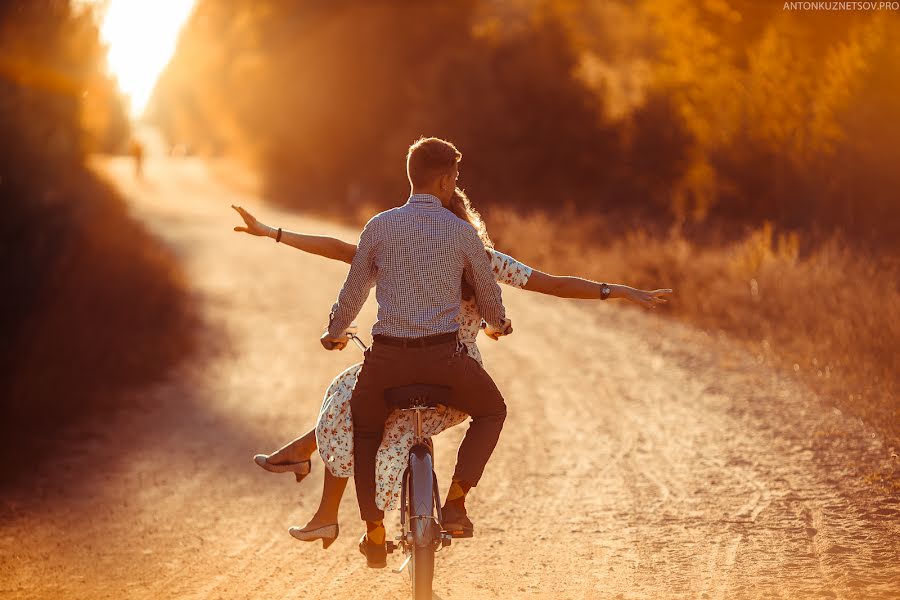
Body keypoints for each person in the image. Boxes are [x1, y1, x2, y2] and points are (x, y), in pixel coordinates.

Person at [233, 188, 672, 566]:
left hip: (406, 368)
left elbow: (340, 250)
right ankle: (446, 500)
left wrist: (274, 233)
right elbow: (553, 283)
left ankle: (333, 504)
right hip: (454, 379)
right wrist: (618, 292)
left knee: (352, 398)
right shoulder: (481, 257)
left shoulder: (406, 252)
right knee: (358, 397)